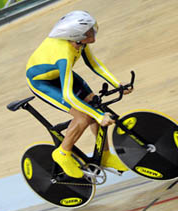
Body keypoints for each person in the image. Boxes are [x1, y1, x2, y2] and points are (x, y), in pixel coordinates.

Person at [26, 10, 132, 178]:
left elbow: (94, 64)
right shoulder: (64, 54)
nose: (93, 33)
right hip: (43, 83)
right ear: (77, 34)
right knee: (84, 117)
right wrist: (97, 116)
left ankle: (104, 156)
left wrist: (117, 84)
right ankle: (62, 153)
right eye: (89, 31)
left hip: (60, 74)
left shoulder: (78, 42)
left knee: (96, 105)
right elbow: (68, 95)